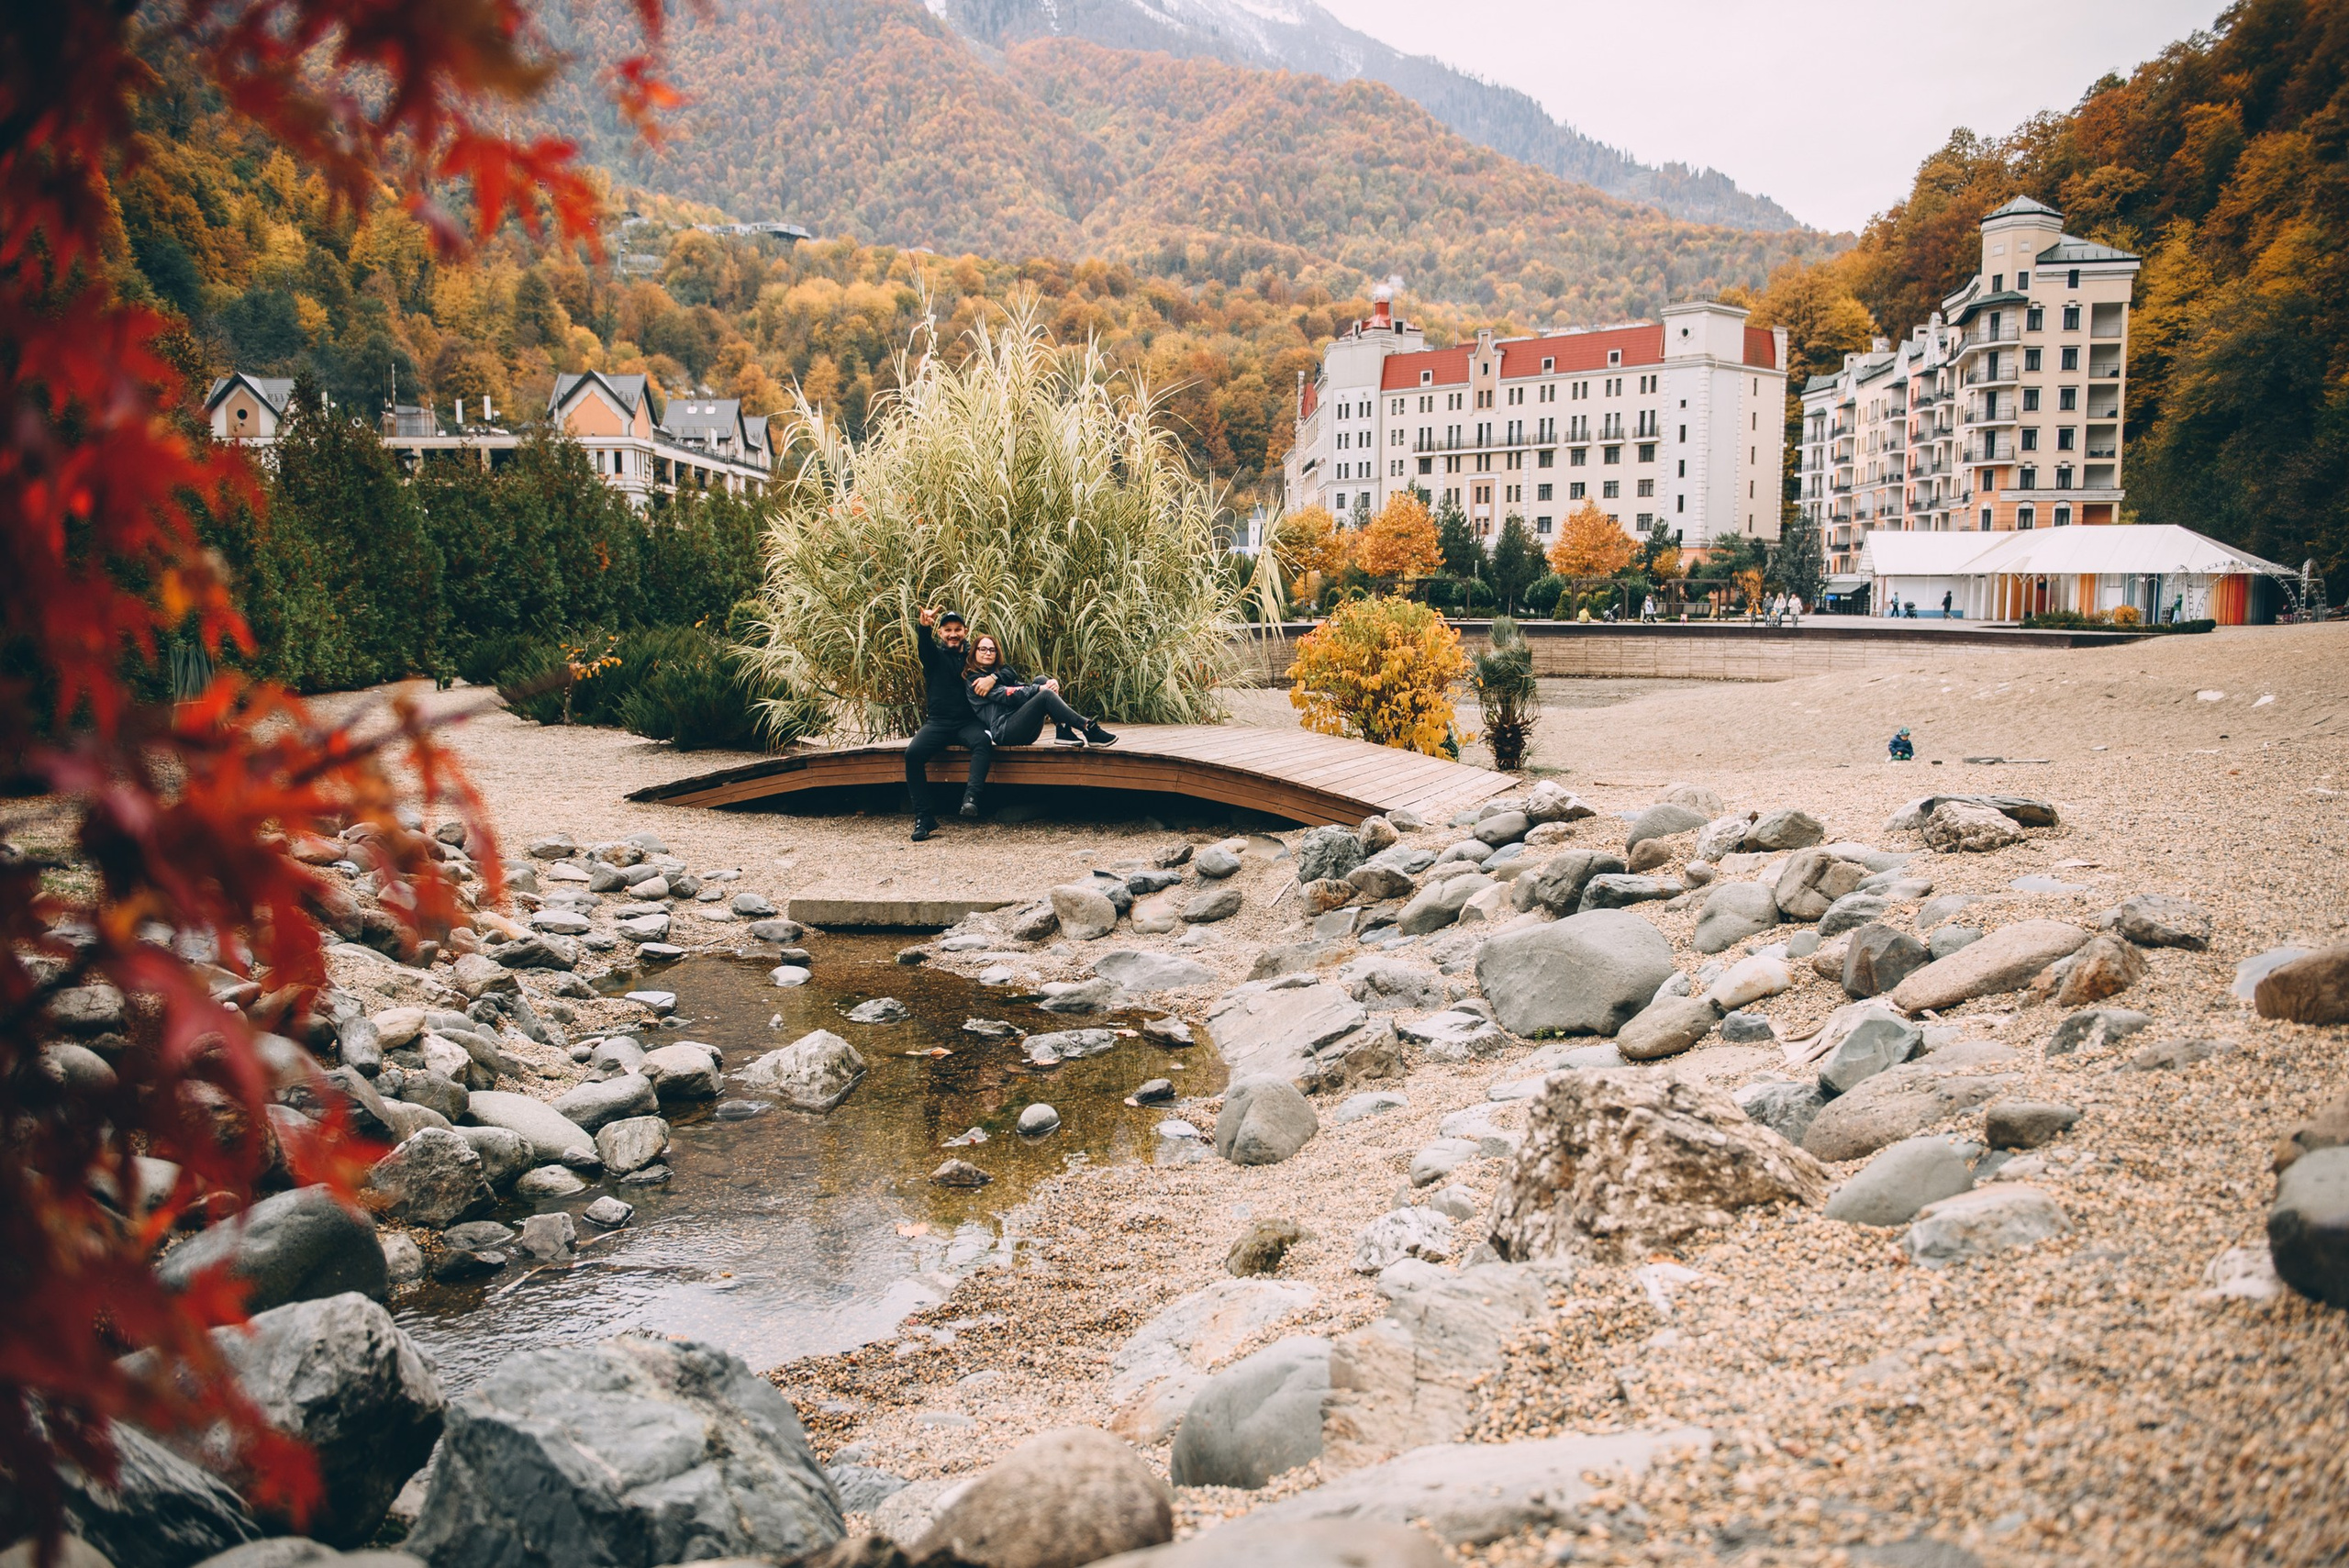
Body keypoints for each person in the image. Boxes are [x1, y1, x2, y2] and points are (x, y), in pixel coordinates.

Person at [904, 607, 993, 842]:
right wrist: (924, 628)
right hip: (938, 723)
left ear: (965, 631)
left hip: (967, 723)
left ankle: (971, 798)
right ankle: (924, 818)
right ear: (941, 633)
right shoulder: (934, 657)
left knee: (983, 741)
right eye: (948, 630)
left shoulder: (974, 658)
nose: (953, 634)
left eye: (957, 630)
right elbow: (924, 647)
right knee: (912, 754)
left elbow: (1003, 669)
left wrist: (993, 677)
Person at [964, 633, 1117, 750]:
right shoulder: (975, 680)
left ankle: (1063, 731)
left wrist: (1047, 684)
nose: (988, 653)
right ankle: (1087, 727)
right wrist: (1039, 690)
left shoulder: (997, 674)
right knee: (1043, 693)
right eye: (983, 649)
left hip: (1021, 726)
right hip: (1005, 731)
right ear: (974, 652)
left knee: (1041, 679)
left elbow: (1016, 684)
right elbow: (1007, 694)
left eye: (992, 650)